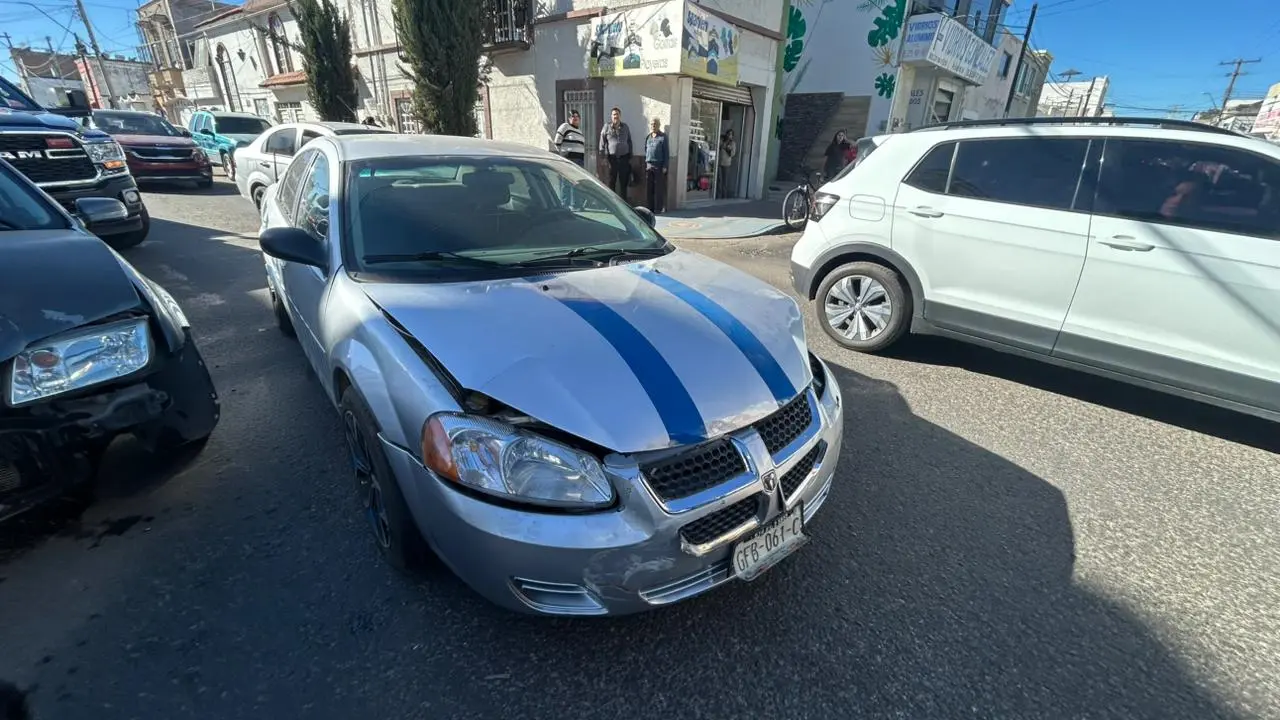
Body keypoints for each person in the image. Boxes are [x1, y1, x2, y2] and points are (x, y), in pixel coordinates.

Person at [599, 107, 633, 197]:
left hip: (624, 158)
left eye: (617, 114)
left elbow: (629, 141)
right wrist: (603, 157)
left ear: (620, 116)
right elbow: (602, 142)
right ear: (611, 116)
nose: (615, 116)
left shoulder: (625, 127)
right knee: (611, 181)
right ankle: (613, 203)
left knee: (624, 182)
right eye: (614, 114)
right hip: (612, 159)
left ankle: (624, 203)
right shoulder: (606, 127)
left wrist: (630, 156)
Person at [643, 117, 668, 213]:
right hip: (649, 165)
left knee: (659, 188)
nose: (653, 126)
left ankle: (659, 207)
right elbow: (646, 149)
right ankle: (650, 208)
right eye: (652, 124)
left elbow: (666, 152)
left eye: (655, 124)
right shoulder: (648, 137)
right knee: (649, 188)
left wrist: (665, 166)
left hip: (659, 165)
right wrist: (647, 162)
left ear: (659, 125)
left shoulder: (663, 137)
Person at [717, 129, 736, 199]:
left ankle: (724, 196)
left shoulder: (732, 143)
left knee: (725, 181)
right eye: (728, 134)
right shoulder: (723, 141)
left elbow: (732, 154)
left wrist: (727, 148)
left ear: (732, 136)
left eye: (731, 134)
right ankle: (718, 196)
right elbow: (718, 147)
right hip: (719, 162)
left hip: (726, 164)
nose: (729, 135)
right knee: (719, 180)